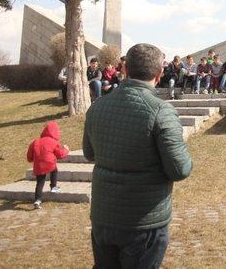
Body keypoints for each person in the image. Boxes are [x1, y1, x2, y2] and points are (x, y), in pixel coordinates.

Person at [83, 43, 192, 268]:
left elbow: (89, 153)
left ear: (124, 70)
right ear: (160, 73)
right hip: (143, 221)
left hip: (104, 217)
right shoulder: (161, 110)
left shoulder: (98, 106)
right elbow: (180, 168)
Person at [27, 121, 69, 209]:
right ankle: (53, 187)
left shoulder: (35, 142)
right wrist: (66, 150)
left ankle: (37, 200)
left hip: (38, 166)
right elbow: (60, 154)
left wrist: (31, 160)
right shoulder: (53, 142)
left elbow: (29, 156)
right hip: (50, 163)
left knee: (40, 183)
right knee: (54, 170)